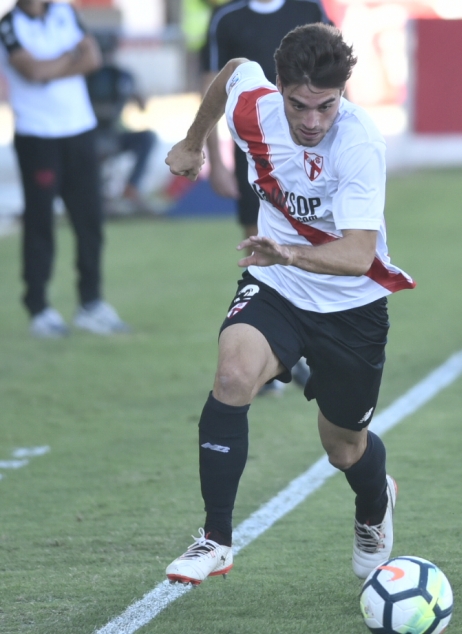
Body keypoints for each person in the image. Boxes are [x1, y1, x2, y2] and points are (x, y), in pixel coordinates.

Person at [163, 23, 416, 586]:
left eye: (325, 106)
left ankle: (375, 502)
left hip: (351, 305)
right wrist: (193, 140)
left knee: (344, 448)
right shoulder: (254, 106)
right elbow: (230, 73)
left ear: (342, 94)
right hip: (278, 286)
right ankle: (216, 540)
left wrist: (289, 252)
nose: (311, 121)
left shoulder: (359, 141)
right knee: (232, 377)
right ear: (279, 87)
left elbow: (356, 254)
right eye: (299, 105)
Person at [0, 0, 130, 338]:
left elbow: (92, 59)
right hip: (37, 136)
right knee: (40, 222)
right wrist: (69, 58)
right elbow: (31, 72)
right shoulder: (9, 26)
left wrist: (51, 67)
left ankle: (91, 303)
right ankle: (38, 306)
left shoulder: (65, 12)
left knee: (90, 221)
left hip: (79, 130)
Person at [202, 0, 331, 239]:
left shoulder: (309, 9)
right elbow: (211, 92)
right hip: (254, 146)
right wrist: (216, 163)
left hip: (309, 142)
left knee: (317, 232)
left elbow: (336, 74)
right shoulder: (226, 17)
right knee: (258, 235)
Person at [85, 34, 157, 214]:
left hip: (111, 136)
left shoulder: (120, 76)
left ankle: (130, 189)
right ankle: (96, 196)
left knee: (148, 138)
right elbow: (142, 105)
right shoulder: (88, 77)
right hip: (90, 138)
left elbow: (141, 104)